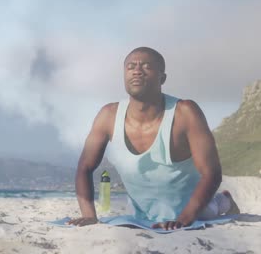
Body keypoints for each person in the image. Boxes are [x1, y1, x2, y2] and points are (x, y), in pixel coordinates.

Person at [68, 47, 239, 230]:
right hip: (143, 214)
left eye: (147, 66)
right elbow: (84, 167)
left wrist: (184, 219)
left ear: (162, 78)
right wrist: (88, 215)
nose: (137, 71)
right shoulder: (108, 115)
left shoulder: (185, 113)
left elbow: (212, 172)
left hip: (194, 210)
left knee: (211, 208)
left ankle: (224, 200)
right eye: (130, 66)